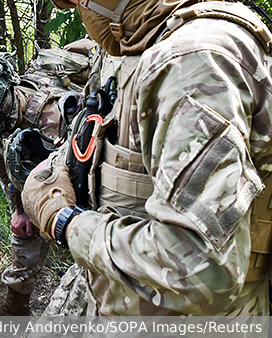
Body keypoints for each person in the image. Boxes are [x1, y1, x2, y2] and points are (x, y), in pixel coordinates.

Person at [22, 0, 272, 315]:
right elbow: (99, 134)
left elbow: (200, 269)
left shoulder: (192, 61)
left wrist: (65, 223)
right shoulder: (135, 44)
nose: (76, 9)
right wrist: (58, 169)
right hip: (119, 301)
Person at [0, 46, 92, 316]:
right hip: (44, 171)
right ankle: (16, 305)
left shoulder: (51, 120)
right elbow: (2, 164)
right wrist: (19, 208)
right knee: (22, 228)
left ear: (2, 109)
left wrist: (38, 211)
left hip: (80, 170)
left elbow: (64, 183)